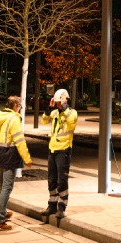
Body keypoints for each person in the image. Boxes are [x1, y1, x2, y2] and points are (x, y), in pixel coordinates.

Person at [0, 94, 32, 231]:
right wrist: (27, 158)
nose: (20, 109)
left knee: (3, 186)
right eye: (20, 106)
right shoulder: (14, 119)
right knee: (7, 187)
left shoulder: (0, 116)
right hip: (10, 154)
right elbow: (19, 141)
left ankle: (2, 212)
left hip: (0, 152)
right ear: (16, 106)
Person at [40, 88, 78, 220]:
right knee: (52, 180)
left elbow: (72, 122)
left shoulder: (71, 113)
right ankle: (52, 205)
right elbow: (44, 121)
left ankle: (62, 207)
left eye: (58, 102)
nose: (56, 104)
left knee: (62, 181)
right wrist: (49, 108)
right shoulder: (55, 112)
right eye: (55, 102)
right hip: (52, 150)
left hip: (64, 150)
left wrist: (64, 107)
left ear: (64, 100)